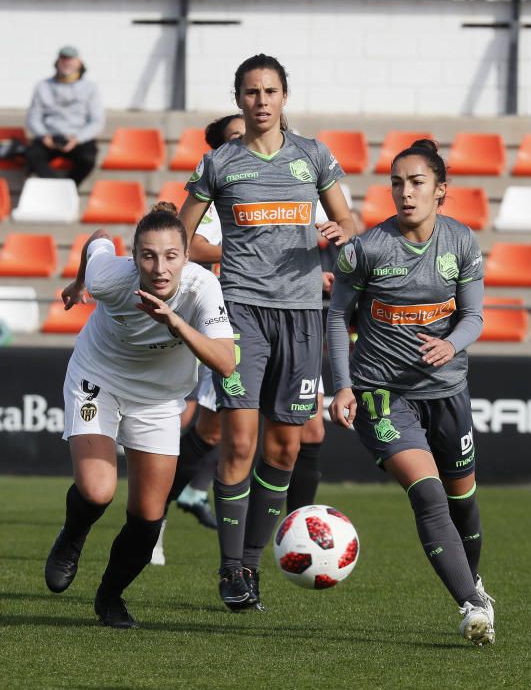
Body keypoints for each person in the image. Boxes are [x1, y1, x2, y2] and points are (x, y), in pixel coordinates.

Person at [179, 54, 355, 612]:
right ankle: (231, 570)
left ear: (284, 96)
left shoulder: (314, 156)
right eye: (251, 92)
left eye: (270, 90)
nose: (261, 100)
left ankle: (252, 564)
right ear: (239, 99)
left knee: (284, 447)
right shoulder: (219, 163)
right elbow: (182, 237)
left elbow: (349, 223)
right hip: (242, 317)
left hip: (303, 317)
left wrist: (339, 229)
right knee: (240, 442)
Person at [327, 139, 495, 646]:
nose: (405, 192)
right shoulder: (366, 250)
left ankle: (474, 583)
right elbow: (337, 315)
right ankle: (469, 605)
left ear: (441, 190)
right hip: (382, 393)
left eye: (417, 182)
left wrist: (451, 345)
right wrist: (342, 385)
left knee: (462, 498)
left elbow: (474, 317)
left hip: (447, 390)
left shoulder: (462, 243)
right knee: (427, 493)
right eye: (397, 183)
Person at [43, 202, 235, 629]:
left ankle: (110, 596)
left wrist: (176, 323)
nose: (160, 267)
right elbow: (96, 238)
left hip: (159, 400)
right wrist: (78, 284)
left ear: (186, 256)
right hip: (98, 379)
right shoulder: (111, 276)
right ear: (134, 257)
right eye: (148, 255)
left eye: (170, 256)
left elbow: (225, 362)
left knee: (149, 518)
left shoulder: (203, 288)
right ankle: (73, 535)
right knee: (97, 490)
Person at [151, 112, 330, 566]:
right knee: (215, 434)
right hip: (230, 323)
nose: (248, 143)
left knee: (307, 429)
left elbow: (324, 229)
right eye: (234, 138)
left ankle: (297, 533)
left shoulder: (295, 173)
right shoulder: (217, 198)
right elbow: (185, 244)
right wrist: (246, 245)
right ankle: (156, 517)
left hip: (293, 317)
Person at [25, 45, 104, 186]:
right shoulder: (42, 86)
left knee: (88, 159)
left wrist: (77, 139)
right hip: (49, 137)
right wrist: (44, 136)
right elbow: (33, 117)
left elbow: (97, 121)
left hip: (77, 138)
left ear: (79, 63)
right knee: (32, 155)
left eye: (71, 59)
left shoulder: (90, 87)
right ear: (57, 62)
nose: (67, 62)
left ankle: (69, 188)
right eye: (63, 59)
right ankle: (58, 188)